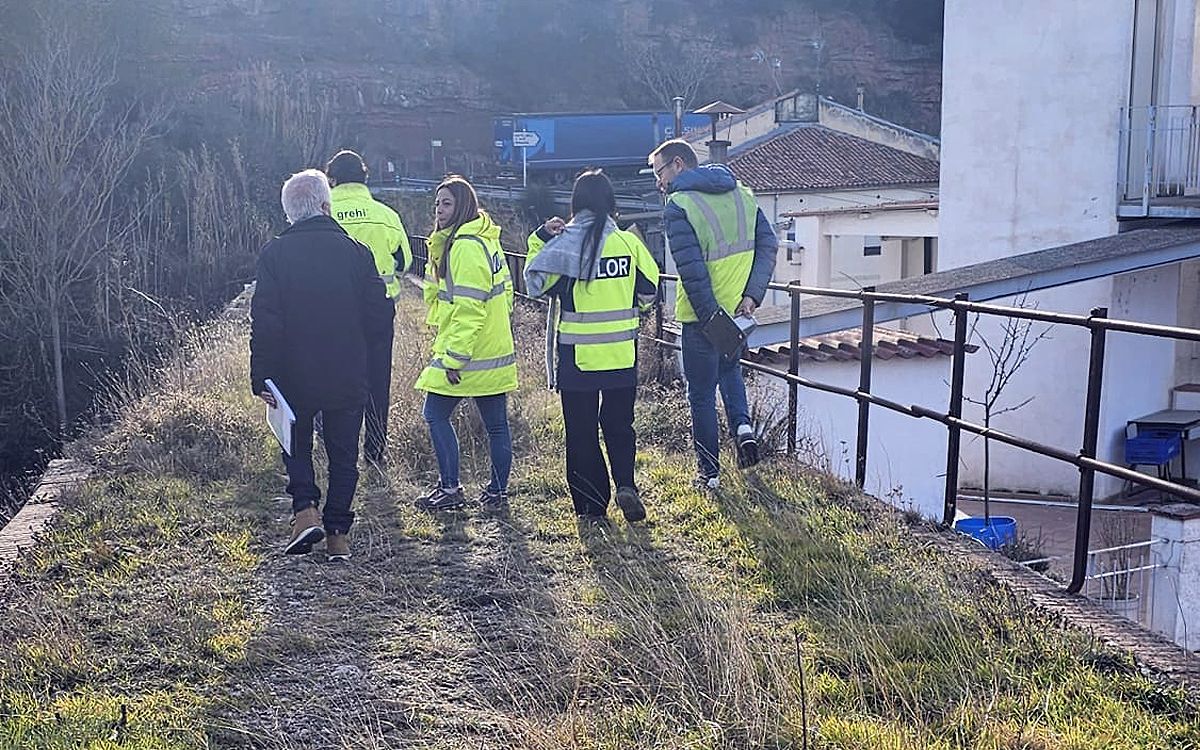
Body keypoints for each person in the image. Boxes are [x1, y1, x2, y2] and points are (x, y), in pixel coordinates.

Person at [250, 169, 394, 560]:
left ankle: (305, 511)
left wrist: (261, 373)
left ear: (289, 214)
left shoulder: (275, 255)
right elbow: (380, 317)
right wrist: (366, 350)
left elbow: (265, 320)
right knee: (344, 454)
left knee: (295, 445)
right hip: (346, 369)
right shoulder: (357, 253)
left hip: (293, 373)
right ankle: (338, 536)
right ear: (326, 205)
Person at [524, 169, 658, 521]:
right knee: (619, 425)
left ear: (576, 203)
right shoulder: (629, 244)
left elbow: (535, 281)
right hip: (621, 355)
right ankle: (626, 484)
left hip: (577, 358)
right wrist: (635, 312)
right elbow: (649, 291)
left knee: (581, 433)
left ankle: (591, 506)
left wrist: (539, 237)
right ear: (611, 204)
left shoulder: (566, 243)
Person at [648, 139, 778, 489]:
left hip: (701, 320)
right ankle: (744, 428)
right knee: (730, 370)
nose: (658, 181)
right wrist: (752, 296)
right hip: (739, 313)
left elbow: (692, 274)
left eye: (658, 172)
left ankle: (709, 475)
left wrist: (710, 319)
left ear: (678, 165)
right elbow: (769, 245)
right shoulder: (744, 195)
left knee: (701, 396)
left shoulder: (679, 206)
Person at [414, 175, 517, 511]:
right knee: (497, 426)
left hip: (469, 353)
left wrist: (454, 358)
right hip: (493, 349)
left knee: (434, 413)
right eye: (437, 204)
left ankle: (450, 488)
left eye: (446, 203)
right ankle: (497, 493)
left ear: (463, 205)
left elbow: (468, 309)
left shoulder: (465, 247)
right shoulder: (485, 240)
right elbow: (506, 297)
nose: (439, 210)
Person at [325, 149, 413, 465]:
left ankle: (333, 445)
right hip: (377, 310)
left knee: (331, 375)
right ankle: (374, 450)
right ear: (365, 178)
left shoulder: (323, 213)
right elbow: (405, 262)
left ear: (331, 180)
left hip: (331, 312)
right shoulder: (387, 216)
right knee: (377, 381)